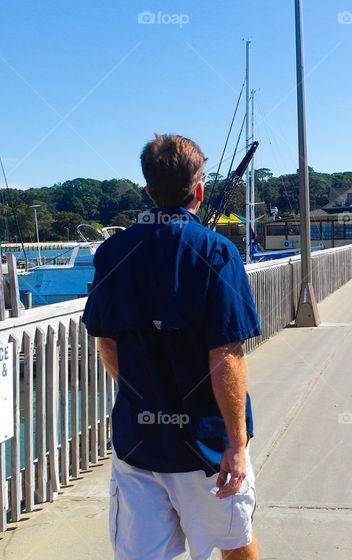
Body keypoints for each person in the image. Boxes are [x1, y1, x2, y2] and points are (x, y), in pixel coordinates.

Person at [83, 134, 261, 560]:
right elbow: (226, 355)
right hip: (206, 446)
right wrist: (236, 444)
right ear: (198, 189)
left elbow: (107, 343)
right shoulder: (217, 252)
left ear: (148, 190)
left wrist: (143, 391)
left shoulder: (113, 253)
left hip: (139, 444)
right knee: (234, 546)